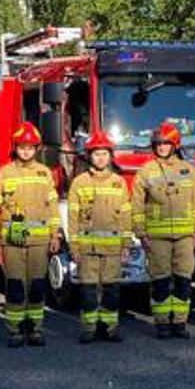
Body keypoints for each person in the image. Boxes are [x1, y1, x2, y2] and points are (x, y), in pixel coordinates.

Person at [0, 123, 61, 347]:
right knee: (16, 285)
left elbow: (52, 206)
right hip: (14, 237)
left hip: (39, 239)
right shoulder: (5, 173)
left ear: (36, 149)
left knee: (37, 285)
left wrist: (55, 234)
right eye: (22, 147)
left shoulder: (44, 173)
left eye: (30, 147)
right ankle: (15, 330)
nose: (26, 151)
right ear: (15, 147)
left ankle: (36, 329)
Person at [132, 121, 195, 337]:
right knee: (160, 281)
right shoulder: (146, 172)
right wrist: (140, 232)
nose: (162, 148)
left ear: (174, 145)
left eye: (166, 144)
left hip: (186, 236)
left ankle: (180, 323)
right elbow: (137, 204)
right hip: (157, 237)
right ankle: (162, 323)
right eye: (158, 144)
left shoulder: (189, 170)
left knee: (184, 279)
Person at [69, 131, 133, 342]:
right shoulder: (79, 183)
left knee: (111, 291)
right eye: (96, 154)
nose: (101, 158)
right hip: (87, 250)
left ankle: (110, 328)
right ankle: (88, 329)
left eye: (104, 154)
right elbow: (73, 218)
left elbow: (125, 215)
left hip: (113, 250)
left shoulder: (119, 183)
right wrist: (74, 248)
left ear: (110, 156)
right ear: (89, 156)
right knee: (88, 291)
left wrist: (125, 245)